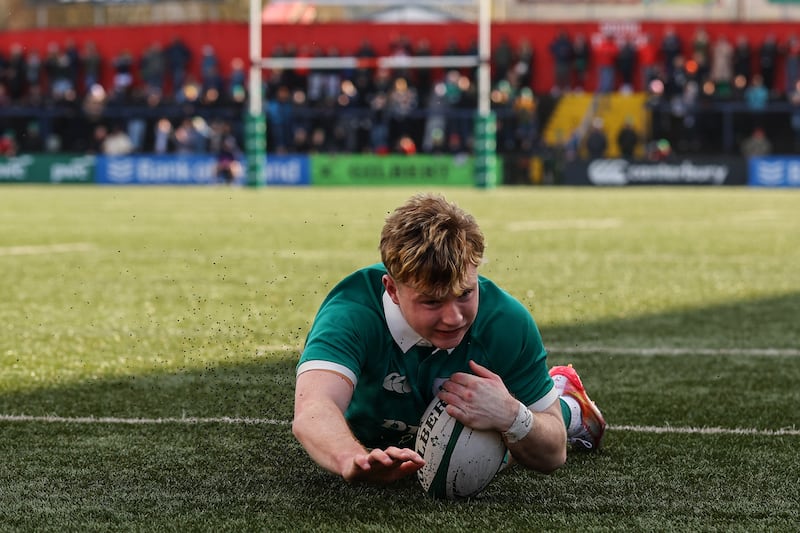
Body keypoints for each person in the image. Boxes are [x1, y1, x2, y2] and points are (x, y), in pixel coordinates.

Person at [293, 193, 607, 485]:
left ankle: (571, 409)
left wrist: (512, 415)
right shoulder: (352, 311)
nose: (454, 317)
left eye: (465, 294)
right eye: (431, 302)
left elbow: (553, 454)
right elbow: (313, 408)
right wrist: (352, 457)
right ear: (392, 290)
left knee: (515, 427)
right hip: (369, 435)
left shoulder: (506, 321)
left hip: (478, 423)